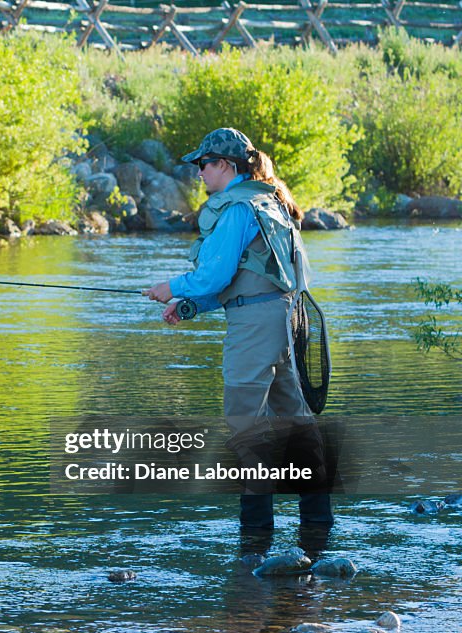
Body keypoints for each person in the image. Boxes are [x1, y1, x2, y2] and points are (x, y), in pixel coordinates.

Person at [141, 128, 334, 537]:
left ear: (226, 165)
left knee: (245, 423)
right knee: (295, 419)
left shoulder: (236, 209)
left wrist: (171, 288)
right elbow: (252, 278)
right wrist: (191, 304)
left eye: (203, 164)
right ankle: (317, 522)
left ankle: (256, 535)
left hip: (254, 327)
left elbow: (216, 273)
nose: (199, 172)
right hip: (283, 320)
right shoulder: (270, 201)